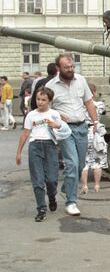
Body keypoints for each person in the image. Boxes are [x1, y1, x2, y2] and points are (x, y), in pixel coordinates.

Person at [46, 53, 99, 217]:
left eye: (72, 67)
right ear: (58, 68)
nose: (70, 70)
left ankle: (66, 187)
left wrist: (95, 121)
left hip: (82, 127)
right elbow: (42, 107)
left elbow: (88, 101)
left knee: (80, 163)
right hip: (64, 130)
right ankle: (71, 202)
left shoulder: (81, 80)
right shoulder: (51, 86)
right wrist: (55, 113)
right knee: (72, 163)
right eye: (66, 68)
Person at [15, 88, 68, 222]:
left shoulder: (54, 114)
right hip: (35, 147)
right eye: (38, 99)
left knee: (51, 179)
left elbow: (64, 131)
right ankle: (41, 209)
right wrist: (19, 152)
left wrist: (56, 125)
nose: (40, 102)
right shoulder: (31, 115)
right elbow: (25, 133)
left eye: (43, 100)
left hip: (50, 146)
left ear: (49, 101)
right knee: (37, 181)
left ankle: (51, 196)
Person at [80, 82, 107, 195]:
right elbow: (103, 113)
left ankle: (85, 186)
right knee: (97, 161)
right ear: (94, 93)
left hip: (83, 132)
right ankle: (96, 185)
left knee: (84, 163)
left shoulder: (80, 106)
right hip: (96, 133)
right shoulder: (99, 105)